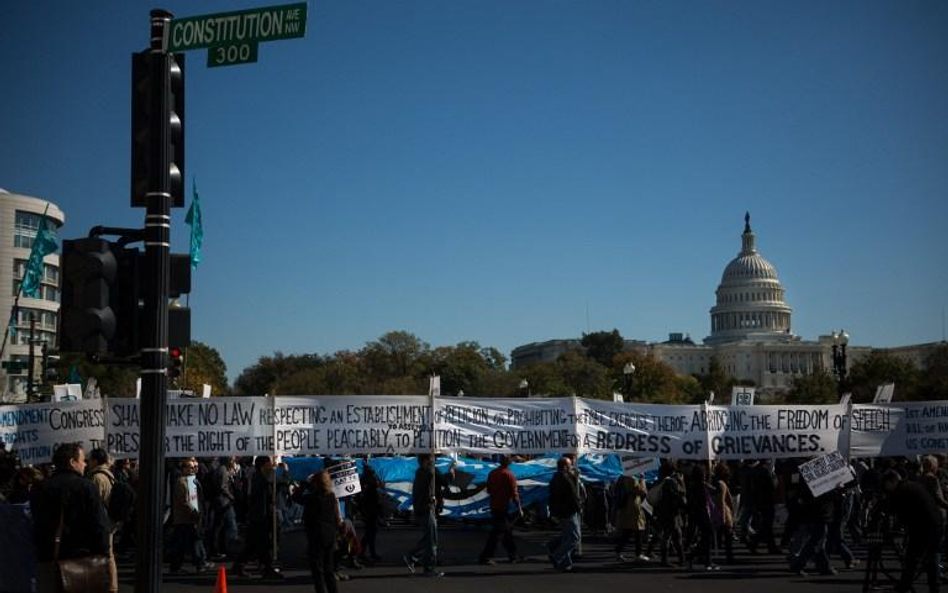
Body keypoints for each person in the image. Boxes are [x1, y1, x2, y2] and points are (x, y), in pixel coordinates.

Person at [30, 442, 111, 593]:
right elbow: (99, 525)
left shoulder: (39, 488)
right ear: (72, 462)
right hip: (80, 562)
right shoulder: (86, 487)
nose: (85, 464)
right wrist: (103, 555)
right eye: (82, 460)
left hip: (49, 560)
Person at [883, 470, 943, 593]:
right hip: (934, 522)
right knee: (929, 556)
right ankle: (932, 586)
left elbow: (900, 512)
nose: (886, 488)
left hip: (923, 526)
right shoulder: (911, 485)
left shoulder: (902, 490)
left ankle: (905, 585)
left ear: (892, 481)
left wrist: (893, 529)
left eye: (886, 485)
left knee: (914, 557)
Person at [233, 456, 283, 578]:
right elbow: (263, 499)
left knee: (253, 545)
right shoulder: (260, 479)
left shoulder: (258, 477)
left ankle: (240, 566)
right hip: (260, 517)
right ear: (263, 465)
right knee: (262, 544)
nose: (271, 465)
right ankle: (266, 568)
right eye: (269, 463)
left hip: (258, 517)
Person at [403, 454, 450, 577]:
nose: (435, 460)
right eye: (432, 458)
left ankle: (414, 557)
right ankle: (429, 568)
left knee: (429, 538)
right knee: (431, 540)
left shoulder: (422, 472)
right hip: (426, 509)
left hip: (425, 509)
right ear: (425, 460)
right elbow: (444, 481)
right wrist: (451, 474)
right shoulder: (428, 472)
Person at [296, 470, 343, 593]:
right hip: (330, 534)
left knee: (317, 570)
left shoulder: (312, 498)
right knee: (329, 569)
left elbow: (296, 497)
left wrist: (304, 485)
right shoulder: (331, 496)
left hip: (316, 534)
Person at [168, 457, 212, 574]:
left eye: (194, 467)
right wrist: (195, 513)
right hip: (185, 518)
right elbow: (185, 502)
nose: (193, 470)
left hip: (191, 518)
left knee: (193, 541)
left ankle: (198, 563)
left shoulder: (192, 480)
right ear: (184, 468)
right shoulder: (181, 482)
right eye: (190, 467)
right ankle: (196, 564)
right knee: (185, 543)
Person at [479, 455, 523, 565]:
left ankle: (513, 555)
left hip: (494, 505)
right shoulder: (509, 475)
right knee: (498, 534)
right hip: (503, 506)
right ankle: (486, 556)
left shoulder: (492, 473)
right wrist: (519, 508)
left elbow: (489, 490)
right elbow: (514, 494)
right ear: (509, 464)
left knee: (505, 532)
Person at [87, 448, 119, 592]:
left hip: (103, 520)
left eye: (90, 459)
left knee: (107, 554)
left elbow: (94, 501)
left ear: (95, 460)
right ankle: (112, 585)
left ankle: (111, 585)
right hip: (109, 520)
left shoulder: (97, 477)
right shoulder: (108, 474)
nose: (87, 462)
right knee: (108, 553)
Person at [547, 455, 582, 572]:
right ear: (566, 467)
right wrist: (579, 508)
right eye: (570, 465)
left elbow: (551, 496)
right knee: (575, 538)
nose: (571, 466)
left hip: (560, 511)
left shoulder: (555, 478)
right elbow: (573, 496)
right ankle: (557, 555)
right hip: (569, 511)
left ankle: (565, 563)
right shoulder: (566, 479)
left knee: (567, 536)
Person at [205, 456, 238, 561]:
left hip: (221, 502)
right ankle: (232, 550)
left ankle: (213, 550)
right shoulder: (223, 470)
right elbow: (222, 487)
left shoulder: (221, 469)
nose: (234, 461)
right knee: (231, 526)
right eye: (232, 459)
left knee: (218, 527)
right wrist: (231, 496)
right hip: (224, 502)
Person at [356, 460, 384, 563]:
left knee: (371, 533)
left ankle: (368, 553)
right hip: (370, 510)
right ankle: (362, 553)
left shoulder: (365, 479)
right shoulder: (368, 480)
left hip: (369, 509)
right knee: (370, 533)